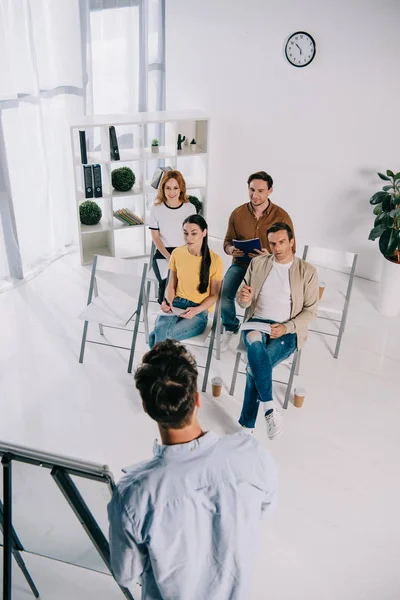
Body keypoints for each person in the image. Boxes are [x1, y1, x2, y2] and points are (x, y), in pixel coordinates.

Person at [108, 339, 277, 599]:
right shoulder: (251, 455)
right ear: (197, 400)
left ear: (146, 407)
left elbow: (126, 574)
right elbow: (264, 508)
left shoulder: (133, 494)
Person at [236, 222, 318, 439]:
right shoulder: (258, 263)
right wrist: (243, 299)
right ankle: (270, 409)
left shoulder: (307, 271)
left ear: (291, 242)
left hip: (288, 329)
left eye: (282, 242)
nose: (277, 247)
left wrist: (286, 327)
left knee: (254, 368)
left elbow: (310, 312)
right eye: (272, 243)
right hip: (257, 322)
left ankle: (247, 427)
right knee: (254, 342)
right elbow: (242, 300)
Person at [221, 171, 296, 350]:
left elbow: (291, 250)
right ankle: (231, 328)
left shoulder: (282, 216)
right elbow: (226, 242)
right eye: (252, 190)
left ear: (270, 191)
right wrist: (232, 249)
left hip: (269, 269)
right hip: (241, 265)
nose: (255, 195)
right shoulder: (237, 214)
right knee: (224, 294)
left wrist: (268, 255)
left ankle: (257, 335)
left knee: (261, 302)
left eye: (260, 191)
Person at [148, 214, 223, 348]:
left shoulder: (216, 260)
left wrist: (196, 310)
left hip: (198, 312)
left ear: (204, 232)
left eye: (194, 233)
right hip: (176, 304)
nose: (189, 238)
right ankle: (166, 368)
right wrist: (167, 302)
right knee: (160, 334)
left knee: (156, 336)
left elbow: (215, 295)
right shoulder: (177, 253)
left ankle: (155, 367)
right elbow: (171, 285)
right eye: (185, 233)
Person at [149, 170, 196, 303]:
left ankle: (183, 311)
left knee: (184, 283)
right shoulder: (156, 209)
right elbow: (156, 238)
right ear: (162, 189)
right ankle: (166, 310)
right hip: (164, 253)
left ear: (181, 189)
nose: (171, 192)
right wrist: (170, 258)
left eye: (175, 188)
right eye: (168, 188)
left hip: (185, 252)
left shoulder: (190, 208)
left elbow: (193, 236)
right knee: (167, 281)